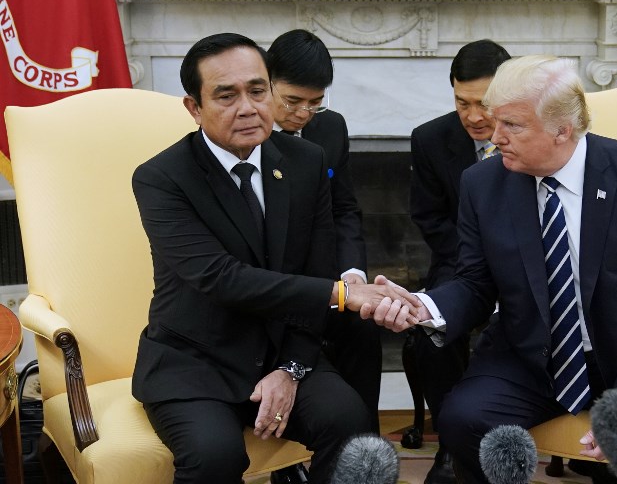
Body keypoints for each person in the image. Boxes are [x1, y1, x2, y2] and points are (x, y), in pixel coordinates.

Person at [368, 55, 617, 484]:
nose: (494, 136)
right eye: (496, 121)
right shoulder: (482, 184)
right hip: (534, 353)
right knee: (464, 419)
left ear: (563, 129)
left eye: (512, 125)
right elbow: (475, 284)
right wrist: (424, 307)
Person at [131, 32, 417, 484]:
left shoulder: (305, 160)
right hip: (195, 361)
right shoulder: (161, 178)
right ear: (194, 108)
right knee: (214, 455)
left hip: (281, 350)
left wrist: (291, 369)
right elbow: (221, 278)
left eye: (257, 90)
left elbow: (316, 269)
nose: (247, 107)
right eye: (226, 95)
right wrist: (345, 295)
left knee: (352, 425)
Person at [266, 28, 382, 484]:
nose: (303, 114)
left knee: (363, 329)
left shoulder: (330, 127)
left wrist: (353, 275)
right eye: (293, 101)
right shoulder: (239, 131)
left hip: (328, 281)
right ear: (266, 82)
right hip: (274, 287)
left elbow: (345, 207)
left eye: (315, 102)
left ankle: (363, 460)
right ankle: (288, 462)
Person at [408, 39, 510, 484]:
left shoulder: (531, 132)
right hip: (459, 261)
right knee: (427, 334)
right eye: (461, 102)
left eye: (484, 104)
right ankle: (452, 445)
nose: (473, 116)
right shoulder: (430, 139)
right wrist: (477, 266)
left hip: (534, 265)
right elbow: (429, 217)